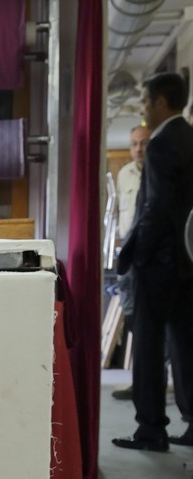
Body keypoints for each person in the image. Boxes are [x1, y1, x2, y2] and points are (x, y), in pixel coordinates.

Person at [113, 73, 193, 452]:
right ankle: (192, 422)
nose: (144, 110)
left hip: (157, 264)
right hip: (187, 261)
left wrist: (136, 256)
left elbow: (156, 207)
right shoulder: (190, 138)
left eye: (146, 102)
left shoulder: (161, 146)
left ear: (161, 101)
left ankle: (150, 430)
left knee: (147, 345)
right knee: (184, 343)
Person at [110, 123, 149, 402]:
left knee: (151, 323)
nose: (138, 149)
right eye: (134, 143)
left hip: (151, 256)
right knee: (134, 318)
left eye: (143, 143)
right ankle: (141, 382)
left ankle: (149, 384)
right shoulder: (124, 174)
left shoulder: (160, 171)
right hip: (128, 256)